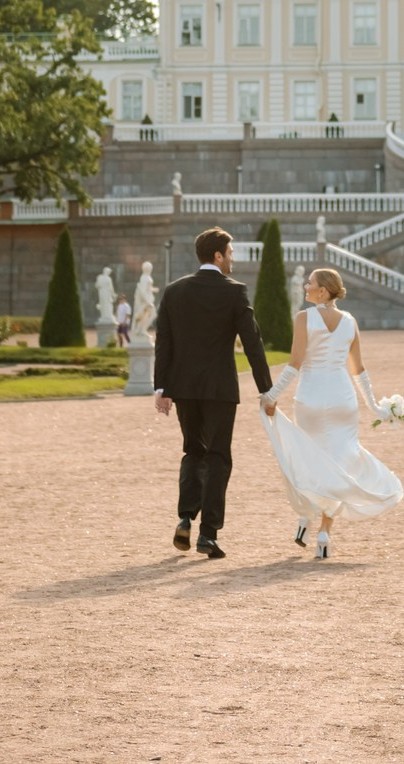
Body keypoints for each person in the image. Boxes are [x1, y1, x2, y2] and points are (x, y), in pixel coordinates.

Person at [260, 266, 403, 560]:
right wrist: (375, 405)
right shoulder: (350, 321)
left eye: (309, 283)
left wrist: (272, 396)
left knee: (310, 459)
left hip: (311, 398)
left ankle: (305, 517)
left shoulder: (304, 319)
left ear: (323, 290)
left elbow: (294, 365)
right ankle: (324, 531)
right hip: (342, 399)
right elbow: (358, 370)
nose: (305, 286)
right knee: (339, 463)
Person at [154, 227, 273, 560]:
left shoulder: (174, 291)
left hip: (184, 389)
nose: (233, 259)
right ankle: (208, 534)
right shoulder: (234, 292)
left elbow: (164, 342)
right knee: (218, 457)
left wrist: (161, 388)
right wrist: (267, 389)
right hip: (220, 389)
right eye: (230, 253)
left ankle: (184, 517)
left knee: (193, 451)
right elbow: (252, 342)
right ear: (218, 255)